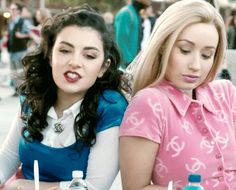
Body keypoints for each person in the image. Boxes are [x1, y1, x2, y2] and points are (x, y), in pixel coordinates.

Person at [0, 4, 128, 190]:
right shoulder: (34, 93)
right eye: (65, 50)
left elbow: (94, 187)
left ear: (103, 67)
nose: (75, 62)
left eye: (89, 56)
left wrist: (25, 185)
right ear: (50, 55)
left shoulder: (111, 108)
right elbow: (8, 156)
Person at [119, 0, 236, 189]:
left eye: (207, 55)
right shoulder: (149, 103)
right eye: (185, 50)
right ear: (163, 46)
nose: (196, 65)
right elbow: (135, 187)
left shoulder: (226, 94)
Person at [114, 0, 151, 70]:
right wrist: (128, 62)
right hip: (124, 65)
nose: (149, 2)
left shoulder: (135, 13)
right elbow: (121, 40)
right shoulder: (126, 13)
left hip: (133, 62)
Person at [7, 2, 32, 96]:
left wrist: (21, 35)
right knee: (13, 71)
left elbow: (32, 34)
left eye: (14, 9)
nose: (12, 11)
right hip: (11, 51)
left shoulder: (24, 22)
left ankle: (22, 90)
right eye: (11, 9)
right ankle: (16, 90)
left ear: (19, 11)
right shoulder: (11, 22)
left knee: (20, 71)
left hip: (20, 50)